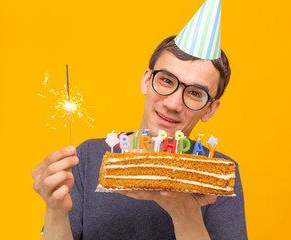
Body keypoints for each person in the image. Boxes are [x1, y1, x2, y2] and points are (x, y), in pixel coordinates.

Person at [32, 35, 247, 240]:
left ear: (210, 109)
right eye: (166, 80)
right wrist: (55, 212)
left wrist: (185, 212)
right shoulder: (87, 158)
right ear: (146, 80)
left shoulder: (218, 176)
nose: (172, 104)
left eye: (195, 93)